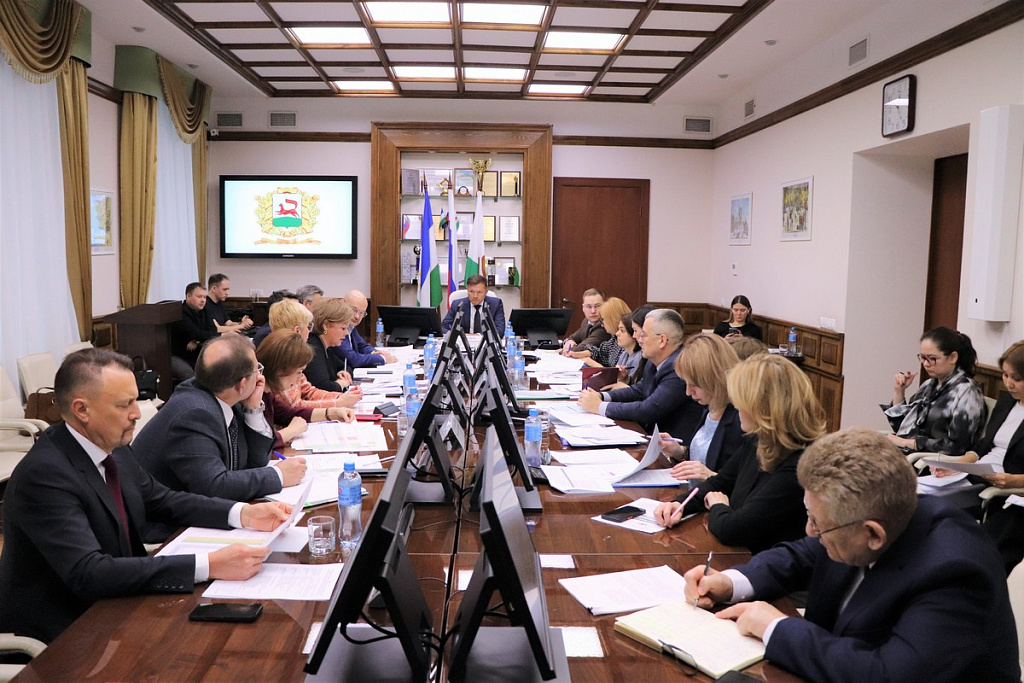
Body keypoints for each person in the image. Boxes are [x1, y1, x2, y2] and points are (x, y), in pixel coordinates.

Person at [0, 349, 292, 643]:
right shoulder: (45, 475)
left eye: (135, 400)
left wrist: (241, 513)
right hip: (67, 631)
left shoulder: (114, 447)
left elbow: (163, 500)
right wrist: (209, 565)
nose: (137, 414)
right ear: (82, 410)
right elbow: (89, 573)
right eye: (124, 404)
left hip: (123, 602)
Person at [683, 428, 1019, 682]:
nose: (810, 531)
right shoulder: (863, 514)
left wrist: (776, 628)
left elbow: (889, 675)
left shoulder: (955, 571)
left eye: (818, 524)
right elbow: (800, 556)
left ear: (872, 534)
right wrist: (730, 582)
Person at [134, 335, 307, 540]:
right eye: (257, 370)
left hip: (206, 514)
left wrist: (253, 409)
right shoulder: (194, 413)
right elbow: (214, 487)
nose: (261, 377)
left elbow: (256, 461)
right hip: (167, 530)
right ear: (242, 384)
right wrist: (277, 475)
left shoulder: (224, 394)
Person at [654, 353, 826, 552]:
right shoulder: (757, 439)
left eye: (740, 400)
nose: (735, 406)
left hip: (762, 561)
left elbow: (734, 529)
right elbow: (719, 482)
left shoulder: (798, 465)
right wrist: (679, 504)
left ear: (762, 407)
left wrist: (718, 505)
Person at [929, 340, 1024, 573]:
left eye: (1016, 378)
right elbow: (984, 444)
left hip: (1006, 487)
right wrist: (958, 465)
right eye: (1005, 375)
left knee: (979, 540)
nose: (1008, 384)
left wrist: (1014, 480)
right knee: (924, 504)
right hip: (981, 473)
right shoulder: (1007, 403)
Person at [578, 309, 702, 442]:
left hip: (672, 446)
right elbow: (638, 391)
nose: (639, 340)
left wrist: (599, 406)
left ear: (662, 340)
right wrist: (602, 396)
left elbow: (649, 410)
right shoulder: (654, 362)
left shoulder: (677, 367)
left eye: (644, 335)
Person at [882, 326, 986, 455]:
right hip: (910, 454)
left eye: (932, 359)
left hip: (932, 461)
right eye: (923, 358)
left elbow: (957, 447)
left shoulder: (967, 392)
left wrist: (908, 443)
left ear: (953, 357)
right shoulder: (929, 385)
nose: (926, 364)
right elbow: (902, 428)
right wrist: (899, 391)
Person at [658, 333, 744, 483]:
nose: (688, 392)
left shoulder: (741, 421)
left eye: (695, 385)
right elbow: (703, 461)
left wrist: (711, 477)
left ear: (714, 379)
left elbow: (744, 485)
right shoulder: (710, 408)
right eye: (686, 383)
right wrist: (680, 452)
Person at [257, 330, 355, 448]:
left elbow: (288, 413)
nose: (299, 379)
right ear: (281, 369)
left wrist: (332, 413)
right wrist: (292, 430)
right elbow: (259, 445)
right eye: (298, 372)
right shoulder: (254, 396)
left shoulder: (266, 393)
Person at [268, 298, 361, 410]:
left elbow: (308, 391)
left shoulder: (292, 353)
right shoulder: (283, 357)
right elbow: (294, 406)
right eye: (308, 327)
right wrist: (338, 402)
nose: (310, 331)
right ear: (297, 331)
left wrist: (340, 397)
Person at [329, 289, 397, 368]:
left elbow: (361, 346)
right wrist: (382, 358)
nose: (357, 316)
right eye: (353, 310)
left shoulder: (350, 325)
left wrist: (376, 352)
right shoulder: (336, 327)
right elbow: (352, 359)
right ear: (343, 303)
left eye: (362, 313)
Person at [305, 297, 358, 393]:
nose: (347, 333)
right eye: (343, 328)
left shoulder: (325, 347)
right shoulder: (312, 349)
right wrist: (341, 383)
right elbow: (323, 387)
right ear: (326, 325)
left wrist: (344, 373)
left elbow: (346, 366)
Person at [170, 281, 217, 380]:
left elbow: (214, 331)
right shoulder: (180, 313)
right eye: (199, 297)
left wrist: (198, 341)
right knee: (191, 378)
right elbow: (195, 333)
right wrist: (199, 338)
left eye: (204, 297)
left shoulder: (205, 311)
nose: (203, 300)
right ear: (188, 297)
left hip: (197, 353)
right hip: (178, 356)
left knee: (218, 370)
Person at [442, 274, 506, 336]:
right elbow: (443, 327)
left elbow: (500, 331)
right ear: (467, 290)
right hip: (463, 341)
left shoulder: (495, 304)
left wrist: (478, 335)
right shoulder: (457, 305)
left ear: (486, 291)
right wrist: (461, 335)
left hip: (485, 341)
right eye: (471, 292)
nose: (475, 296)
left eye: (479, 292)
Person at [560, 288, 611, 356]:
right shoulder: (586, 321)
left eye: (597, 306)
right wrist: (568, 341)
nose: (593, 311)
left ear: (605, 306)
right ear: (583, 308)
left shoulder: (604, 326)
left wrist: (563, 351)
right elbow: (572, 337)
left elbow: (581, 349)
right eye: (589, 307)